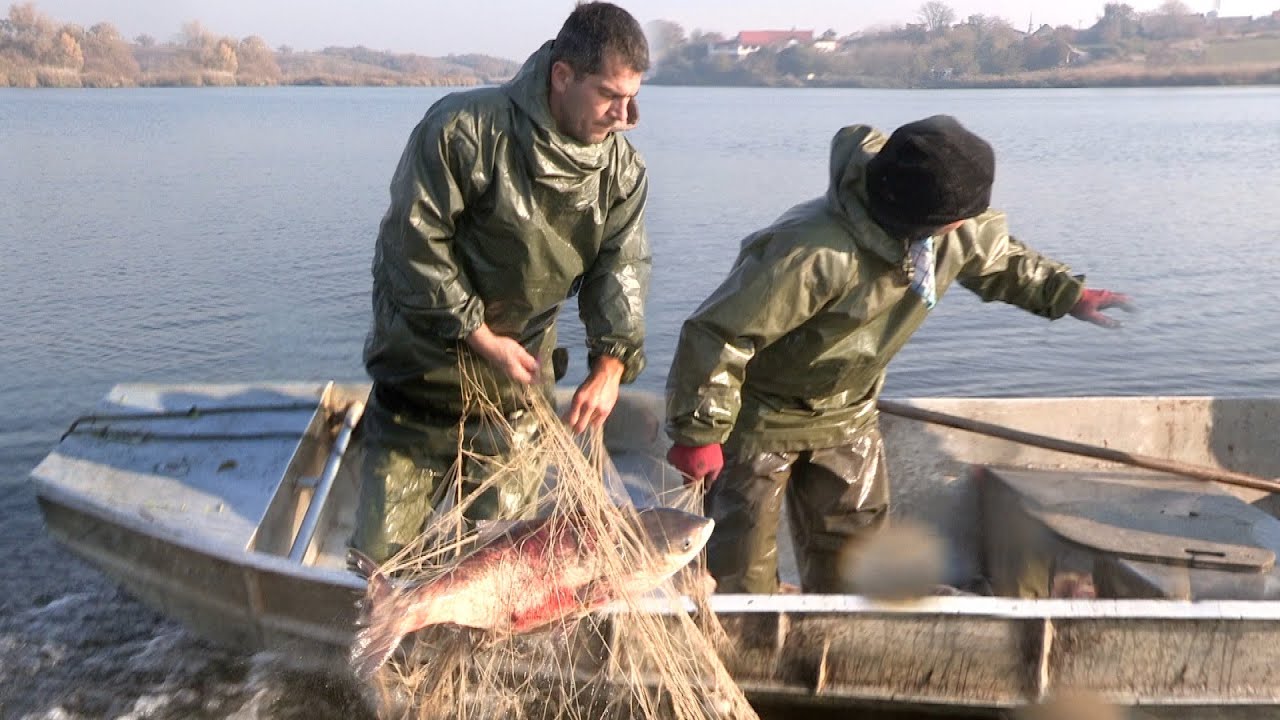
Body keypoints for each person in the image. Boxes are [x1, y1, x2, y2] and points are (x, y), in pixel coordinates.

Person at [663, 115, 1135, 594]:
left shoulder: (953, 230)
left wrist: (1067, 294)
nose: (970, 224)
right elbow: (720, 335)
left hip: (848, 414)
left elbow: (1002, 259)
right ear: (929, 217)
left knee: (857, 557)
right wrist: (699, 433)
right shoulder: (810, 251)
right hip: (756, 418)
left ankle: (839, 632)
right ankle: (743, 628)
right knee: (739, 559)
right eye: (963, 217)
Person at [353, 2, 652, 563]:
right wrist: (479, 335)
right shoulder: (464, 129)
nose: (624, 115)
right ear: (562, 76)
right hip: (419, 380)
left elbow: (623, 267)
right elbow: (413, 245)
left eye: (633, 96)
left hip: (517, 392)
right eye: (610, 95)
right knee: (379, 563)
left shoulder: (622, 171)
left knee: (499, 562)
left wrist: (611, 364)